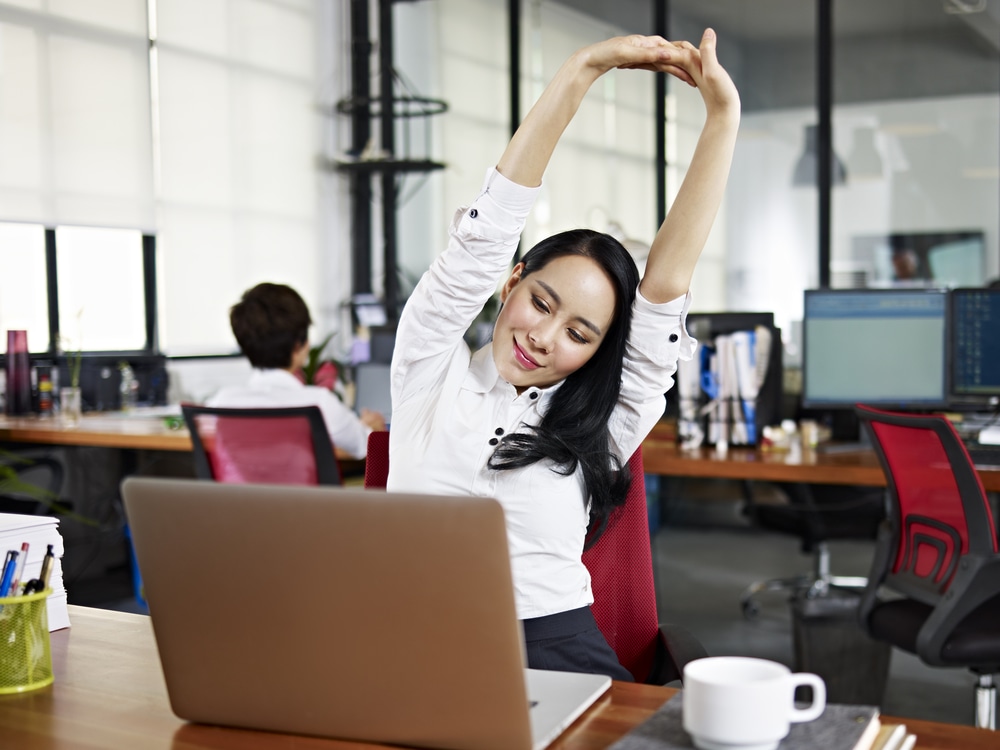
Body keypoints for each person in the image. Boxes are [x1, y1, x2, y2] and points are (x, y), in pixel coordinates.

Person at [388, 31, 740, 678]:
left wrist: (722, 120)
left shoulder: (604, 420)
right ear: (512, 280)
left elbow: (664, 287)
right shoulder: (426, 373)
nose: (545, 338)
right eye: (542, 304)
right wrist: (585, 68)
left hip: (554, 651)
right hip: (413, 645)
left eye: (580, 334)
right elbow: (483, 239)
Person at [208, 282, 385, 459]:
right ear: (299, 345)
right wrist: (372, 427)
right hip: (306, 488)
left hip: (240, 488)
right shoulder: (319, 404)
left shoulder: (221, 404)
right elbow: (367, 446)